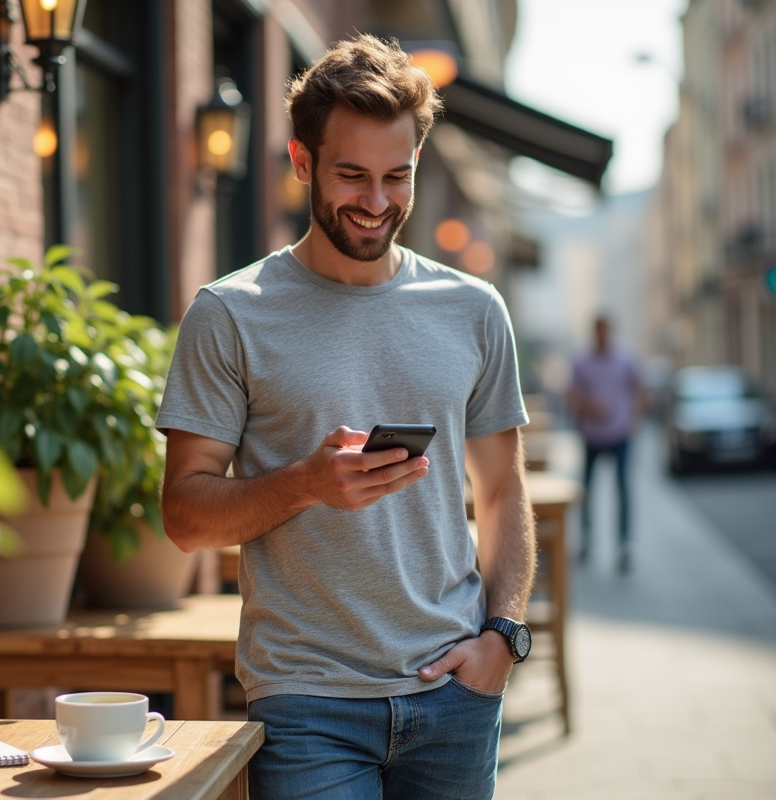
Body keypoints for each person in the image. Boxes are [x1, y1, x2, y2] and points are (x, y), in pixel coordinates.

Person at [155, 35, 536, 800]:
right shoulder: (230, 314)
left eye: (398, 176)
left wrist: (503, 638)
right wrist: (304, 483)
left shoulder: (473, 310)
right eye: (352, 175)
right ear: (302, 164)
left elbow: (501, 493)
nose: (376, 201)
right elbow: (186, 517)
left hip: (455, 692)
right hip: (306, 704)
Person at [567, 314, 645, 573]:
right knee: (587, 491)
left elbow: (640, 391)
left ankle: (625, 544)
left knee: (623, 489)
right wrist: (591, 407)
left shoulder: (625, 359)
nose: (602, 335)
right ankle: (587, 539)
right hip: (592, 436)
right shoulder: (582, 362)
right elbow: (572, 396)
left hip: (619, 434)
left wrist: (633, 421)